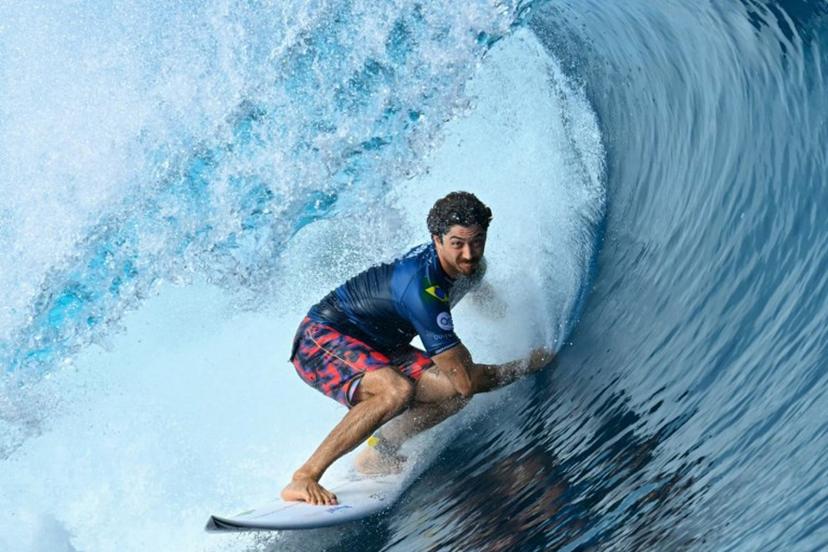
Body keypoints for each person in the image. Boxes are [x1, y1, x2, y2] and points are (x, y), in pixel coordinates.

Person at [281, 191, 554, 505]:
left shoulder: (470, 267)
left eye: (477, 241)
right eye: (457, 244)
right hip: (321, 338)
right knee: (396, 391)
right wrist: (523, 366)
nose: (468, 253)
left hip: (381, 344)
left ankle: (378, 453)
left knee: (452, 392)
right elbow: (469, 378)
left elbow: (481, 299)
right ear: (436, 240)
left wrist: (516, 320)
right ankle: (303, 477)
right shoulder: (421, 289)